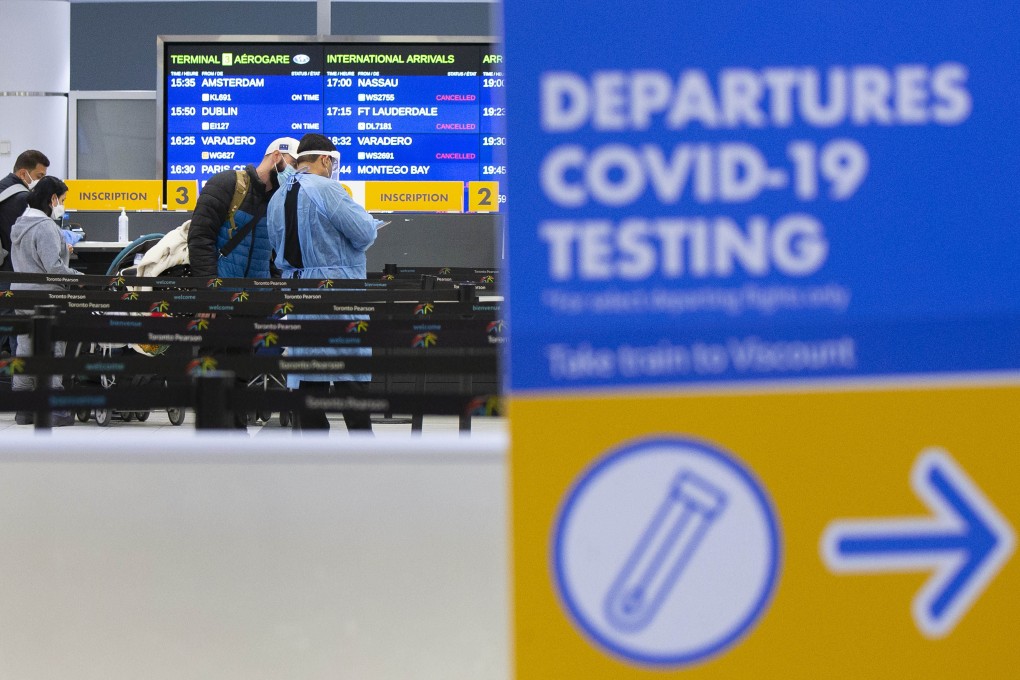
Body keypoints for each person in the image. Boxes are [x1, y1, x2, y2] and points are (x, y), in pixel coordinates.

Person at [266, 133, 383, 432]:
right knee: (349, 376)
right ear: (325, 159)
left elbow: (277, 246)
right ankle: (363, 456)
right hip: (337, 294)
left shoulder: (278, 196)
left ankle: (312, 461)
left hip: (298, 294)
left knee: (307, 375)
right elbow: (364, 233)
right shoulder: (328, 190)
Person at [9, 176, 79, 426]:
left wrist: (60, 248)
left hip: (22, 294)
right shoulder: (46, 226)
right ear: (52, 199)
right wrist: (81, 278)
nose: (62, 205)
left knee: (25, 346)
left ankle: (24, 408)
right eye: (62, 200)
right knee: (52, 347)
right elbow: (53, 270)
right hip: (47, 296)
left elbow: (34, 259)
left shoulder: (19, 223)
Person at [187, 137, 298, 278]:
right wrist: (210, 289)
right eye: (293, 164)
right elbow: (200, 238)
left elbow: (278, 256)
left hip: (259, 297)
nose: (294, 172)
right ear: (276, 156)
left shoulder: (280, 203)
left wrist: (273, 290)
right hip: (222, 293)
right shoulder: (226, 183)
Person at [0, 150, 50, 360]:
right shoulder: (20, 198)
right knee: (11, 323)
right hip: (10, 272)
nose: (39, 182)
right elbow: (27, 239)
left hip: (4, 267)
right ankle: (19, 383)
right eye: (39, 176)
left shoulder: (3, 188)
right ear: (23, 173)